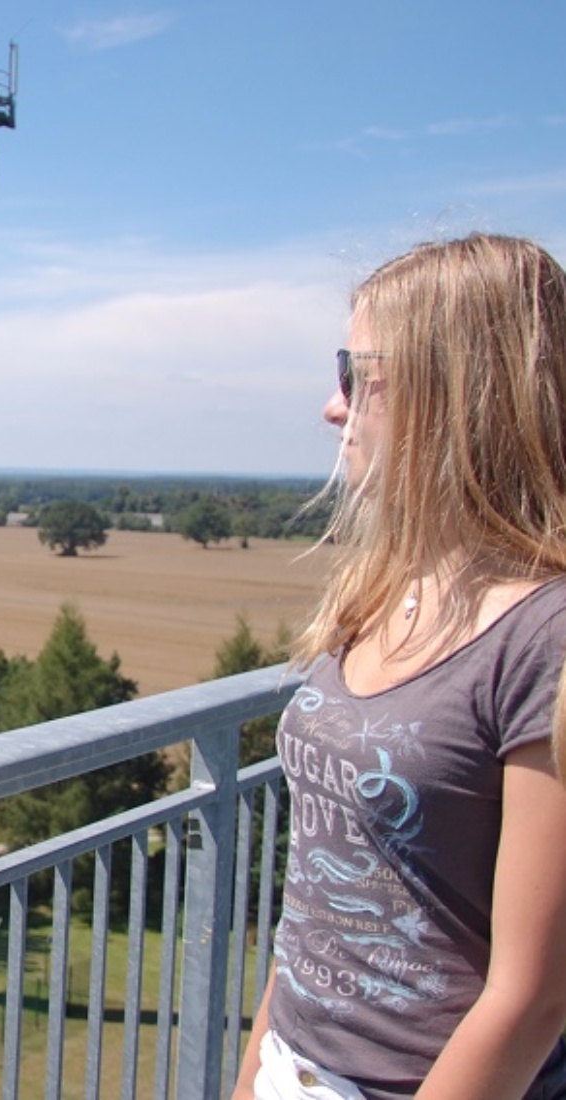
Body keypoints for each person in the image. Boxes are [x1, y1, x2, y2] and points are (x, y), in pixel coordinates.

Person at [232, 233, 566, 1100]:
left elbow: (534, 997)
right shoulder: (379, 589)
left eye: (356, 375)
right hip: (294, 1071)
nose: (331, 409)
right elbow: (318, 890)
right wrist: (257, 1065)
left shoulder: (547, 636)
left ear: (456, 394)